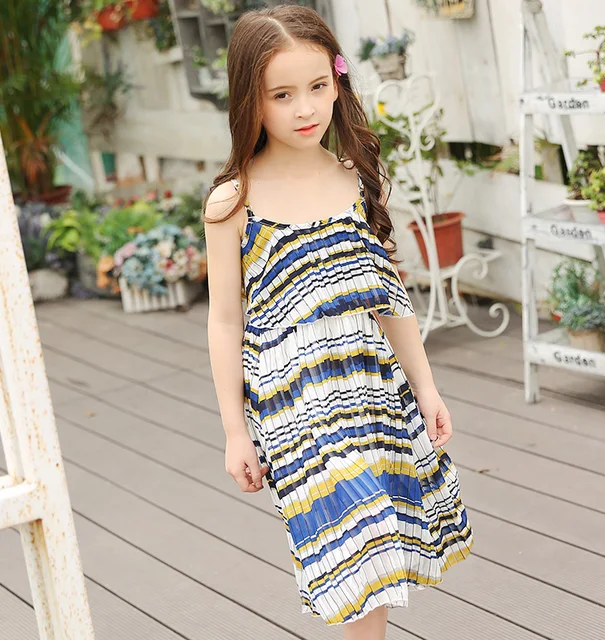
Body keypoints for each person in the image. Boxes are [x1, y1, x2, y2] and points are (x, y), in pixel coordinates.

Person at [202, 5, 473, 639]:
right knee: (355, 552)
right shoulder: (233, 201)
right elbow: (223, 321)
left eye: (318, 86)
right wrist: (234, 431)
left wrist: (426, 386)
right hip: (297, 404)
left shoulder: (355, 179)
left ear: (337, 81)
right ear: (249, 99)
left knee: (380, 546)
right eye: (282, 95)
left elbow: (388, 295)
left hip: (371, 387)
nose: (305, 109)